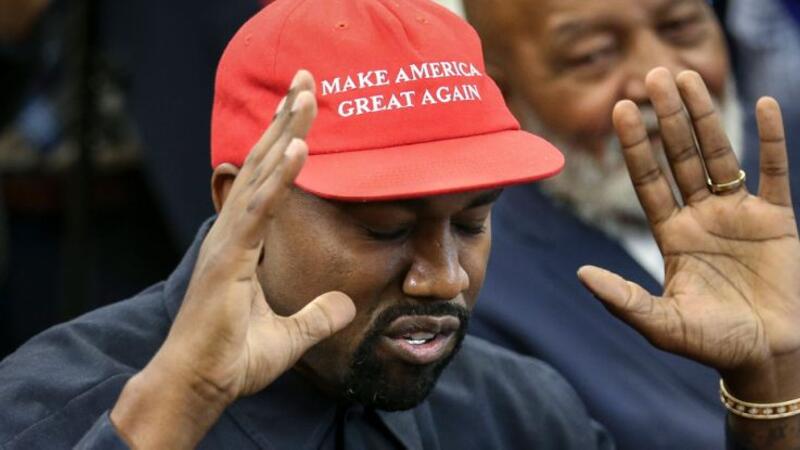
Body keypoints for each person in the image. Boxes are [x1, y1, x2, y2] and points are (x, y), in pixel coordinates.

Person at [1, 1, 799, 449]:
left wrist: (768, 382)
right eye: (384, 229)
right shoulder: (57, 403)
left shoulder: (515, 410)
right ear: (244, 202)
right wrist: (176, 409)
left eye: (473, 222)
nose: (442, 275)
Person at [461, 0, 743, 447]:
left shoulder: (783, 165)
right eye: (593, 55)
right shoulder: (473, 289)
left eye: (680, 27)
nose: (659, 76)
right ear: (502, 93)